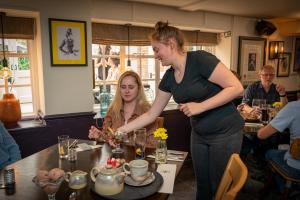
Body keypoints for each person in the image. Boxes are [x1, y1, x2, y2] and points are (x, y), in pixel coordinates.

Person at [117, 21, 245, 200]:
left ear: (171, 44)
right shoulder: (169, 77)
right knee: (202, 185)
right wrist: (122, 129)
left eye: (156, 49)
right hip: (199, 134)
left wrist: (201, 106)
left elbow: (236, 87)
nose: (155, 56)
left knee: (219, 186)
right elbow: (152, 114)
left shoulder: (200, 59)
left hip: (226, 132)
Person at [88, 71, 158, 148]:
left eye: (131, 87)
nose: (127, 91)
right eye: (123, 87)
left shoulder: (148, 112)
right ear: (119, 89)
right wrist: (99, 136)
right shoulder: (113, 110)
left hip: (138, 158)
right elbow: (108, 137)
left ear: (139, 88)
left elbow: (153, 145)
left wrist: (128, 141)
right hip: (116, 158)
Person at [257, 99, 300, 192]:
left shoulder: (294, 107)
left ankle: (284, 188)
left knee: (270, 153)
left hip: (296, 166)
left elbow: (261, 135)